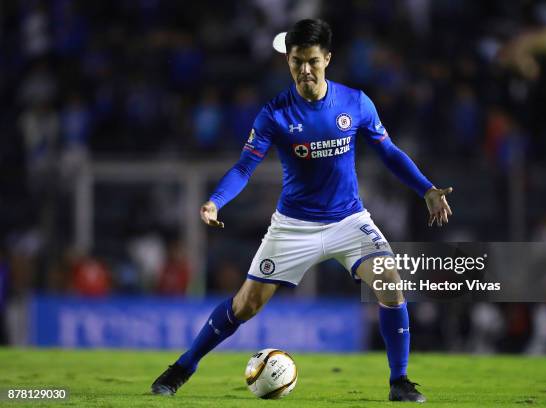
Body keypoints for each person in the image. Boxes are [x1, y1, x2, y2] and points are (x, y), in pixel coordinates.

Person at [151, 19, 453, 403]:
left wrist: (425, 188)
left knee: (391, 283)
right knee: (246, 305)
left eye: (312, 61)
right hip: (293, 226)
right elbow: (245, 167)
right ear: (288, 62)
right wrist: (216, 200)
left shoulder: (355, 102)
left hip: (349, 220)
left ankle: (400, 381)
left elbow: (389, 153)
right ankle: (182, 368)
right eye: (296, 62)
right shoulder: (274, 113)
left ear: (327, 58)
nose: (304, 70)